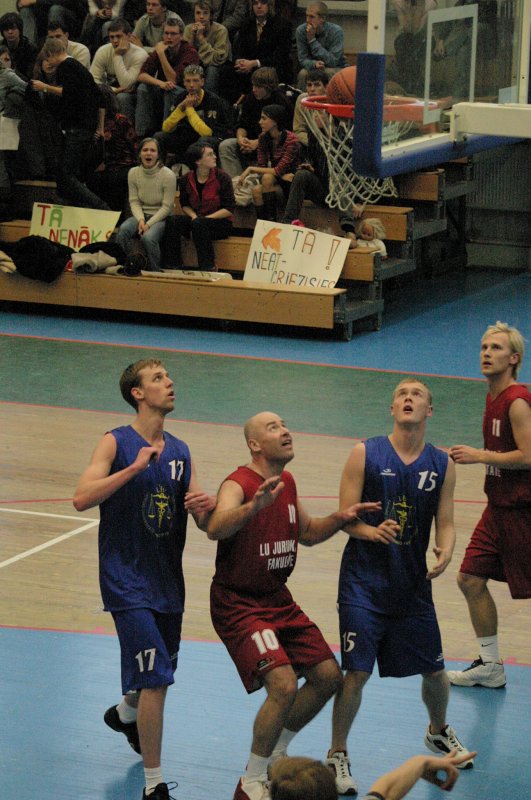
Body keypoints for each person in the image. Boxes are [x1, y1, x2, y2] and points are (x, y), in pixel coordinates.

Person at [207, 410, 381, 800]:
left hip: (276, 599)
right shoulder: (239, 484)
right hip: (239, 604)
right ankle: (252, 779)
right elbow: (216, 527)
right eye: (273, 428)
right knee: (283, 684)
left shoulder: (287, 481)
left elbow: (307, 533)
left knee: (327, 677)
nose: (285, 430)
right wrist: (253, 506)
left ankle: (275, 752)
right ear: (255, 444)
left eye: (284, 425)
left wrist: (340, 517)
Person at [73, 357, 216, 800]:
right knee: (156, 677)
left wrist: (207, 506)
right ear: (137, 393)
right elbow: (81, 498)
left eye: (169, 377)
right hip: (124, 579)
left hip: (166, 581)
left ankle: (124, 713)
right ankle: (154, 785)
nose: (169, 382)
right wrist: (133, 468)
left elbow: (205, 524)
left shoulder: (181, 451)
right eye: (158, 378)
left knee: (158, 670)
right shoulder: (114, 442)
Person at [327, 377, 474, 796]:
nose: (408, 399)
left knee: (435, 670)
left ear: (429, 411)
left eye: (417, 396)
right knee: (355, 673)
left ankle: (437, 731)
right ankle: (338, 752)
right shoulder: (365, 453)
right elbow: (345, 517)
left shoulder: (441, 464)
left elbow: (445, 520)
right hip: (363, 585)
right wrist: (369, 531)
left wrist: (445, 550)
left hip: (411, 585)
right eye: (401, 395)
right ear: (392, 409)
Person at [447, 322, 531, 689]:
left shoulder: (516, 401)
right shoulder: (491, 395)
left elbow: (529, 455)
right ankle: (491, 664)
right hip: (497, 509)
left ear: (513, 359)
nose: (486, 353)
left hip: (523, 511)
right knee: (469, 579)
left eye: (495, 348)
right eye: (483, 346)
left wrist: (480, 455)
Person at [30, 36, 110, 210]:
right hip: (87, 128)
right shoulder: (81, 68)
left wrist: (44, 87)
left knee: (66, 173)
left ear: (51, 53)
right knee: (69, 172)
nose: (48, 63)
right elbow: (100, 98)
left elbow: (68, 92)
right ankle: (69, 204)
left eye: (47, 58)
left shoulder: (66, 67)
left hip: (77, 129)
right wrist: (100, 127)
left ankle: (100, 206)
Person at [162, 141, 234, 270]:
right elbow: (184, 204)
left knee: (199, 224)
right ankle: (173, 265)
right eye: (210, 155)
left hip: (220, 222)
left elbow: (229, 209)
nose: (215, 157)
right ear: (198, 161)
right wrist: (194, 216)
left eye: (213, 154)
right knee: (172, 221)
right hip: (197, 220)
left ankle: (208, 266)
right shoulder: (185, 179)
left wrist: (204, 219)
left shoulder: (223, 177)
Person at [218, 66, 292, 179]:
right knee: (226, 146)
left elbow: (284, 134)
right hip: (250, 142)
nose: (253, 89)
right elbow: (242, 125)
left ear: (268, 87)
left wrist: (258, 143)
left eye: (258, 86)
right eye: (253, 85)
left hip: (272, 144)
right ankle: (236, 184)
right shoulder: (250, 99)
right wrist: (241, 139)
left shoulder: (282, 102)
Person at [116, 136, 176, 270]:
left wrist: (148, 224)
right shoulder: (133, 173)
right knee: (122, 231)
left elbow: (167, 207)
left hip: (162, 218)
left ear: (158, 155)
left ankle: (156, 272)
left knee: (148, 238)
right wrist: (141, 220)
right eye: (145, 150)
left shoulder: (168, 175)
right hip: (141, 215)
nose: (148, 153)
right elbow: (134, 201)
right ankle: (130, 264)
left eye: (153, 150)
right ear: (140, 154)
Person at [135, 15, 199, 138]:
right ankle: (142, 136)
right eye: (166, 33)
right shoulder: (161, 48)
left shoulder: (189, 52)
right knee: (143, 88)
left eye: (173, 34)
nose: (169, 37)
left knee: (171, 90)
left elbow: (173, 80)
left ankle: (166, 135)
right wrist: (160, 83)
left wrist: (161, 55)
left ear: (181, 36)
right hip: (165, 89)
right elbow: (141, 75)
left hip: (185, 93)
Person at [156, 63, 231, 162]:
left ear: (202, 82)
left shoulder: (213, 100)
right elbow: (166, 128)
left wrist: (189, 109)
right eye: (188, 81)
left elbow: (206, 132)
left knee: (199, 144)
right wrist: (181, 107)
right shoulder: (181, 98)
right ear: (184, 83)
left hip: (212, 138)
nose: (191, 85)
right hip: (188, 136)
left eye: (195, 81)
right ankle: (158, 170)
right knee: (159, 137)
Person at [238, 103, 299, 221]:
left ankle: (272, 225)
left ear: (275, 121)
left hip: (292, 184)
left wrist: (250, 169)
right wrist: (280, 175)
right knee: (256, 190)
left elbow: (278, 170)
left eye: (264, 118)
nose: (260, 122)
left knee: (267, 178)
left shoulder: (292, 140)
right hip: (278, 179)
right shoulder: (263, 138)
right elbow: (263, 166)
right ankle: (266, 226)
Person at [86, 83, 138, 214]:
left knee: (114, 179)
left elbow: (134, 146)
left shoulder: (121, 120)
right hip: (103, 165)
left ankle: (114, 217)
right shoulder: (92, 122)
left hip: (123, 164)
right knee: (91, 178)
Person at [228, 0, 292, 101]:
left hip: (272, 66)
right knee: (227, 71)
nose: (258, 6)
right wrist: (239, 60)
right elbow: (239, 48)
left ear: (269, 5)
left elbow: (280, 57)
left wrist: (254, 63)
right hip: (248, 65)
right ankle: (231, 109)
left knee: (257, 74)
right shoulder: (247, 23)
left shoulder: (283, 25)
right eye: (255, 3)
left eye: (263, 3)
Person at [90, 17, 149, 121]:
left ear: (129, 36)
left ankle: (127, 132)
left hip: (134, 94)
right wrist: (113, 90)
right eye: (112, 37)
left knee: (123, 97)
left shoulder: (140, 54)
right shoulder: (103, 51)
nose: (115, 41)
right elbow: (92, 81)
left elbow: (126, 85)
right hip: (110, 90)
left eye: (119, 36)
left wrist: (117, 55)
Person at [295, 2, 347, 91]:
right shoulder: (301, 31)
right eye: (306, 16)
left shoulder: (336, 31)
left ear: (322, 18)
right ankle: (302, 102)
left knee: (328, 72)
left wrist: (312, 41)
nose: (307, 20)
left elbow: (333, 61)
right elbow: (302, 59)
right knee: (303, 74)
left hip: (335, 67)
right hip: (313, 68)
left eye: (311, 17)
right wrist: (314, 64)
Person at [183, 0, 230, 94]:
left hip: (217, 66)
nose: (201, 17)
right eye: (198, 13)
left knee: (211, 70)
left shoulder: (221, 30)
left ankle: (209, 102)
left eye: (205, 13)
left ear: (211, 16)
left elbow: (218, 59)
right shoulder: (188, 29)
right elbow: (185, 56)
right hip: (195, 64)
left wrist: (201, 38)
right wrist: (192, 37)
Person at [0, 12, 38, 79]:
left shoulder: (31, 48)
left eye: (13, 28)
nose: (10, 32)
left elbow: (30, 76)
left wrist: (10, 71)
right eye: (6, 29)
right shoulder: (1, 47)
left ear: (20, 30)